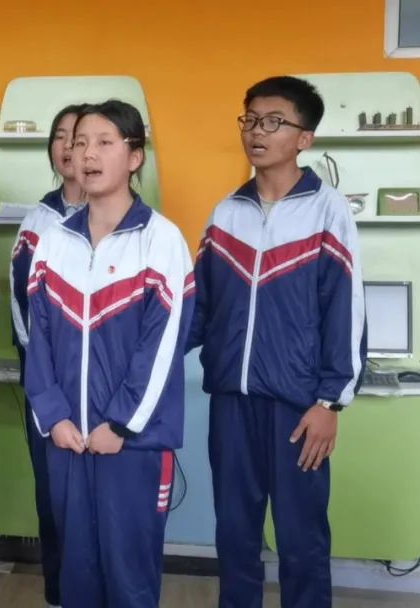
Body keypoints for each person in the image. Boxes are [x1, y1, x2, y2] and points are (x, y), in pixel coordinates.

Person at [189, 76, 366, 608]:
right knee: (234, 533)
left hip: (298, 406)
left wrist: (330, 402)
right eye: (249, 120)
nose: (256, 132)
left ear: (304, 138)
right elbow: (199, 308)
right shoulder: (226, 213)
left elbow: (346, 310)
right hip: (231, 402)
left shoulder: (328, 211)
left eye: (273, 122)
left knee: (301, 537)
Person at [25, 100, 193, 607]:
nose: (87, 154)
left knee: (129, 577)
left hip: (132, 444)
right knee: (76, 574)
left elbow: (162, 347)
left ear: (135, 157)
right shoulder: (54, 242)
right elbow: (38, 340)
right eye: (79, 143)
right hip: (68, 439)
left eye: (103, 142)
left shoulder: (160, 240)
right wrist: (53, 416)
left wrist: (120, 424)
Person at [9, 102, 87, 608]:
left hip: (103, 389)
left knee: (101, 503)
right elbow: (22, 308)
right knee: (54, 497)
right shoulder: (37, 222)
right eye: (60, 136)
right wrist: (42, 376)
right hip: (47, 388)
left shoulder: (124, 219)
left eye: (78, 136)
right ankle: (58, 595)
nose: (68, 146)